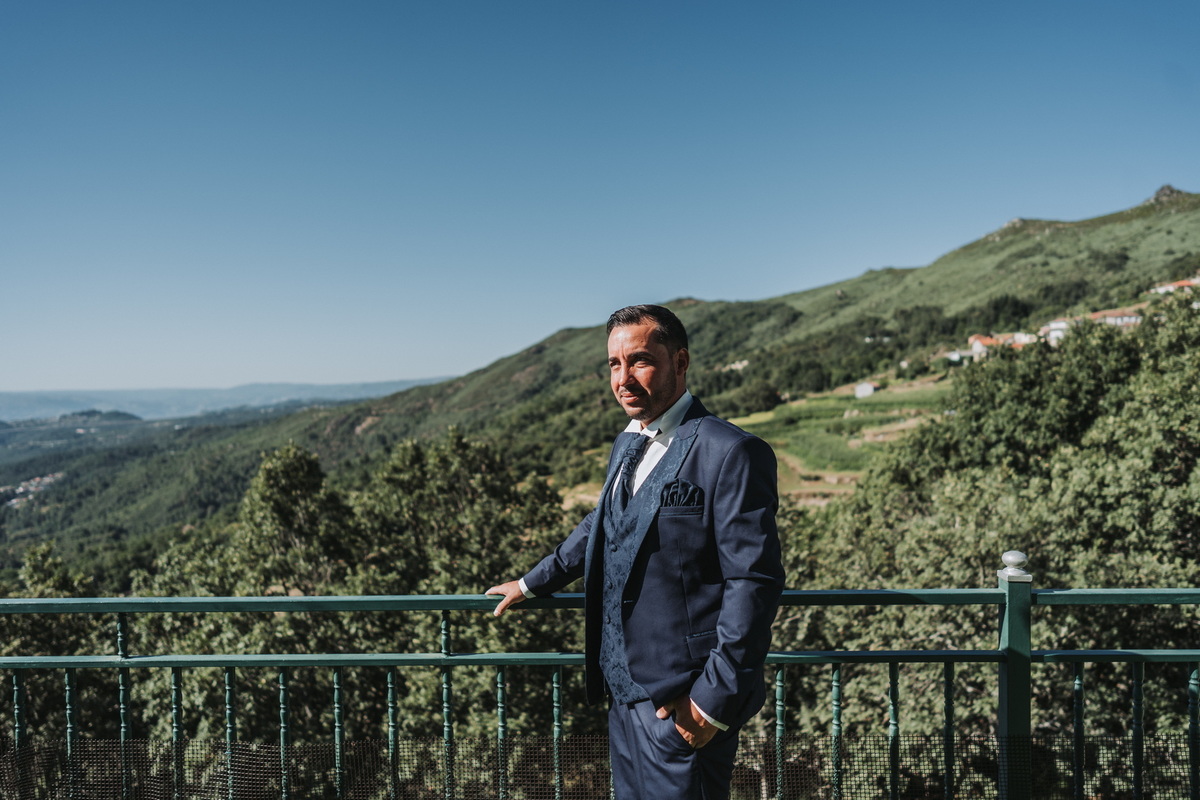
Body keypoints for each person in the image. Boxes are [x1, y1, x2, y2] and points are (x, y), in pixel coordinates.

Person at [487, 304, 784, 800]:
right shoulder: (626, 443)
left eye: (640, 361)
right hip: (622, 697)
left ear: (680, 362)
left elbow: (754, 582)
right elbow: (602, 523)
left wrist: (711, 703)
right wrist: (531, 583)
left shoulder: (731, 451)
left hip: (684, 703)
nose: (623, 379)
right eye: (614, 364)